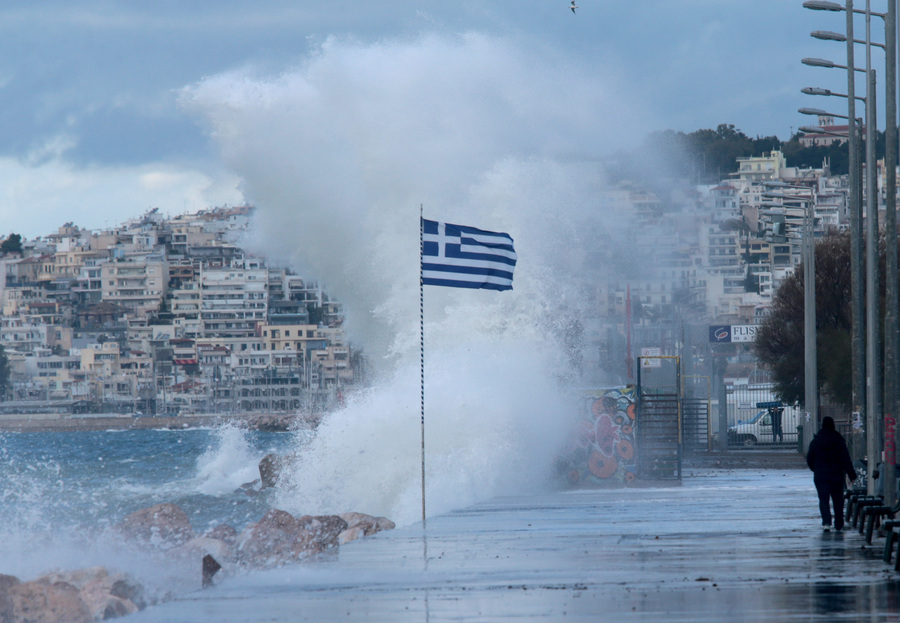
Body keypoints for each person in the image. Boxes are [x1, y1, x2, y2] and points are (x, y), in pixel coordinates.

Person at [806, 416, 857, 532]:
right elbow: (846, 459)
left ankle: (826, 523)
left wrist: (816, 469)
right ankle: (839, 523)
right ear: (833, 425)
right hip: (837, 475)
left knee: (823, 499)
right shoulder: (839, 441)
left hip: (821, 475)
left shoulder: (815, 441)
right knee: (838, 500)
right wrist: (852, 475)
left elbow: (809, 458)